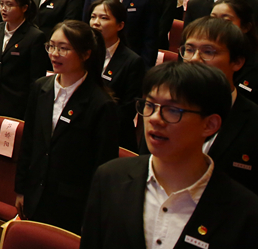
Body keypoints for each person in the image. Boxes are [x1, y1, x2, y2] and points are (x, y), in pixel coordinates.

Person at [80, 61, 258, 249]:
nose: (155, 118)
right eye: (150, 105)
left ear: (210, 124)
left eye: (173, 110)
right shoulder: (110, 178)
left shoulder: (245, 211)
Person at [15, 21, 119, 235]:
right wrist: (21, 189)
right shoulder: (40, 88)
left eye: (63, 48)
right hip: (35, 194)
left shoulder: (101, 104)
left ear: (86, 54)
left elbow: (102, 166)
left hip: (71, 205)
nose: (54, 54)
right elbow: (29, 143)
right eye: (51, 46)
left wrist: (92, 214)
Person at [173, 17, 258, 195]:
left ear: (237, 62)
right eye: (189, 50)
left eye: (208, 52)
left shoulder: (252, 120)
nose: (194, 59)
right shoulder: (161, 108)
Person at [88, 0, 145, 150]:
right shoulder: (83, 53)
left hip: (114, 136)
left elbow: (127, 110)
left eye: (104, 18)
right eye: (93, 17)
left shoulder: (132, 61)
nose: (96, 23)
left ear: (120, 25)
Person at [0, 0, 50, 119]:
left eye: (9, 5)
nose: (3, 9)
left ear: (24, 8)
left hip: (17, 103)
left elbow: (36, 78)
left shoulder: (35, 36)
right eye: (1, 4)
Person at [211, 0, 258, 104]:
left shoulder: (253, 62)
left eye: (226, 21)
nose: (216, 25)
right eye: (212, 19)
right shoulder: (199, 55)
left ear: (245, 27)